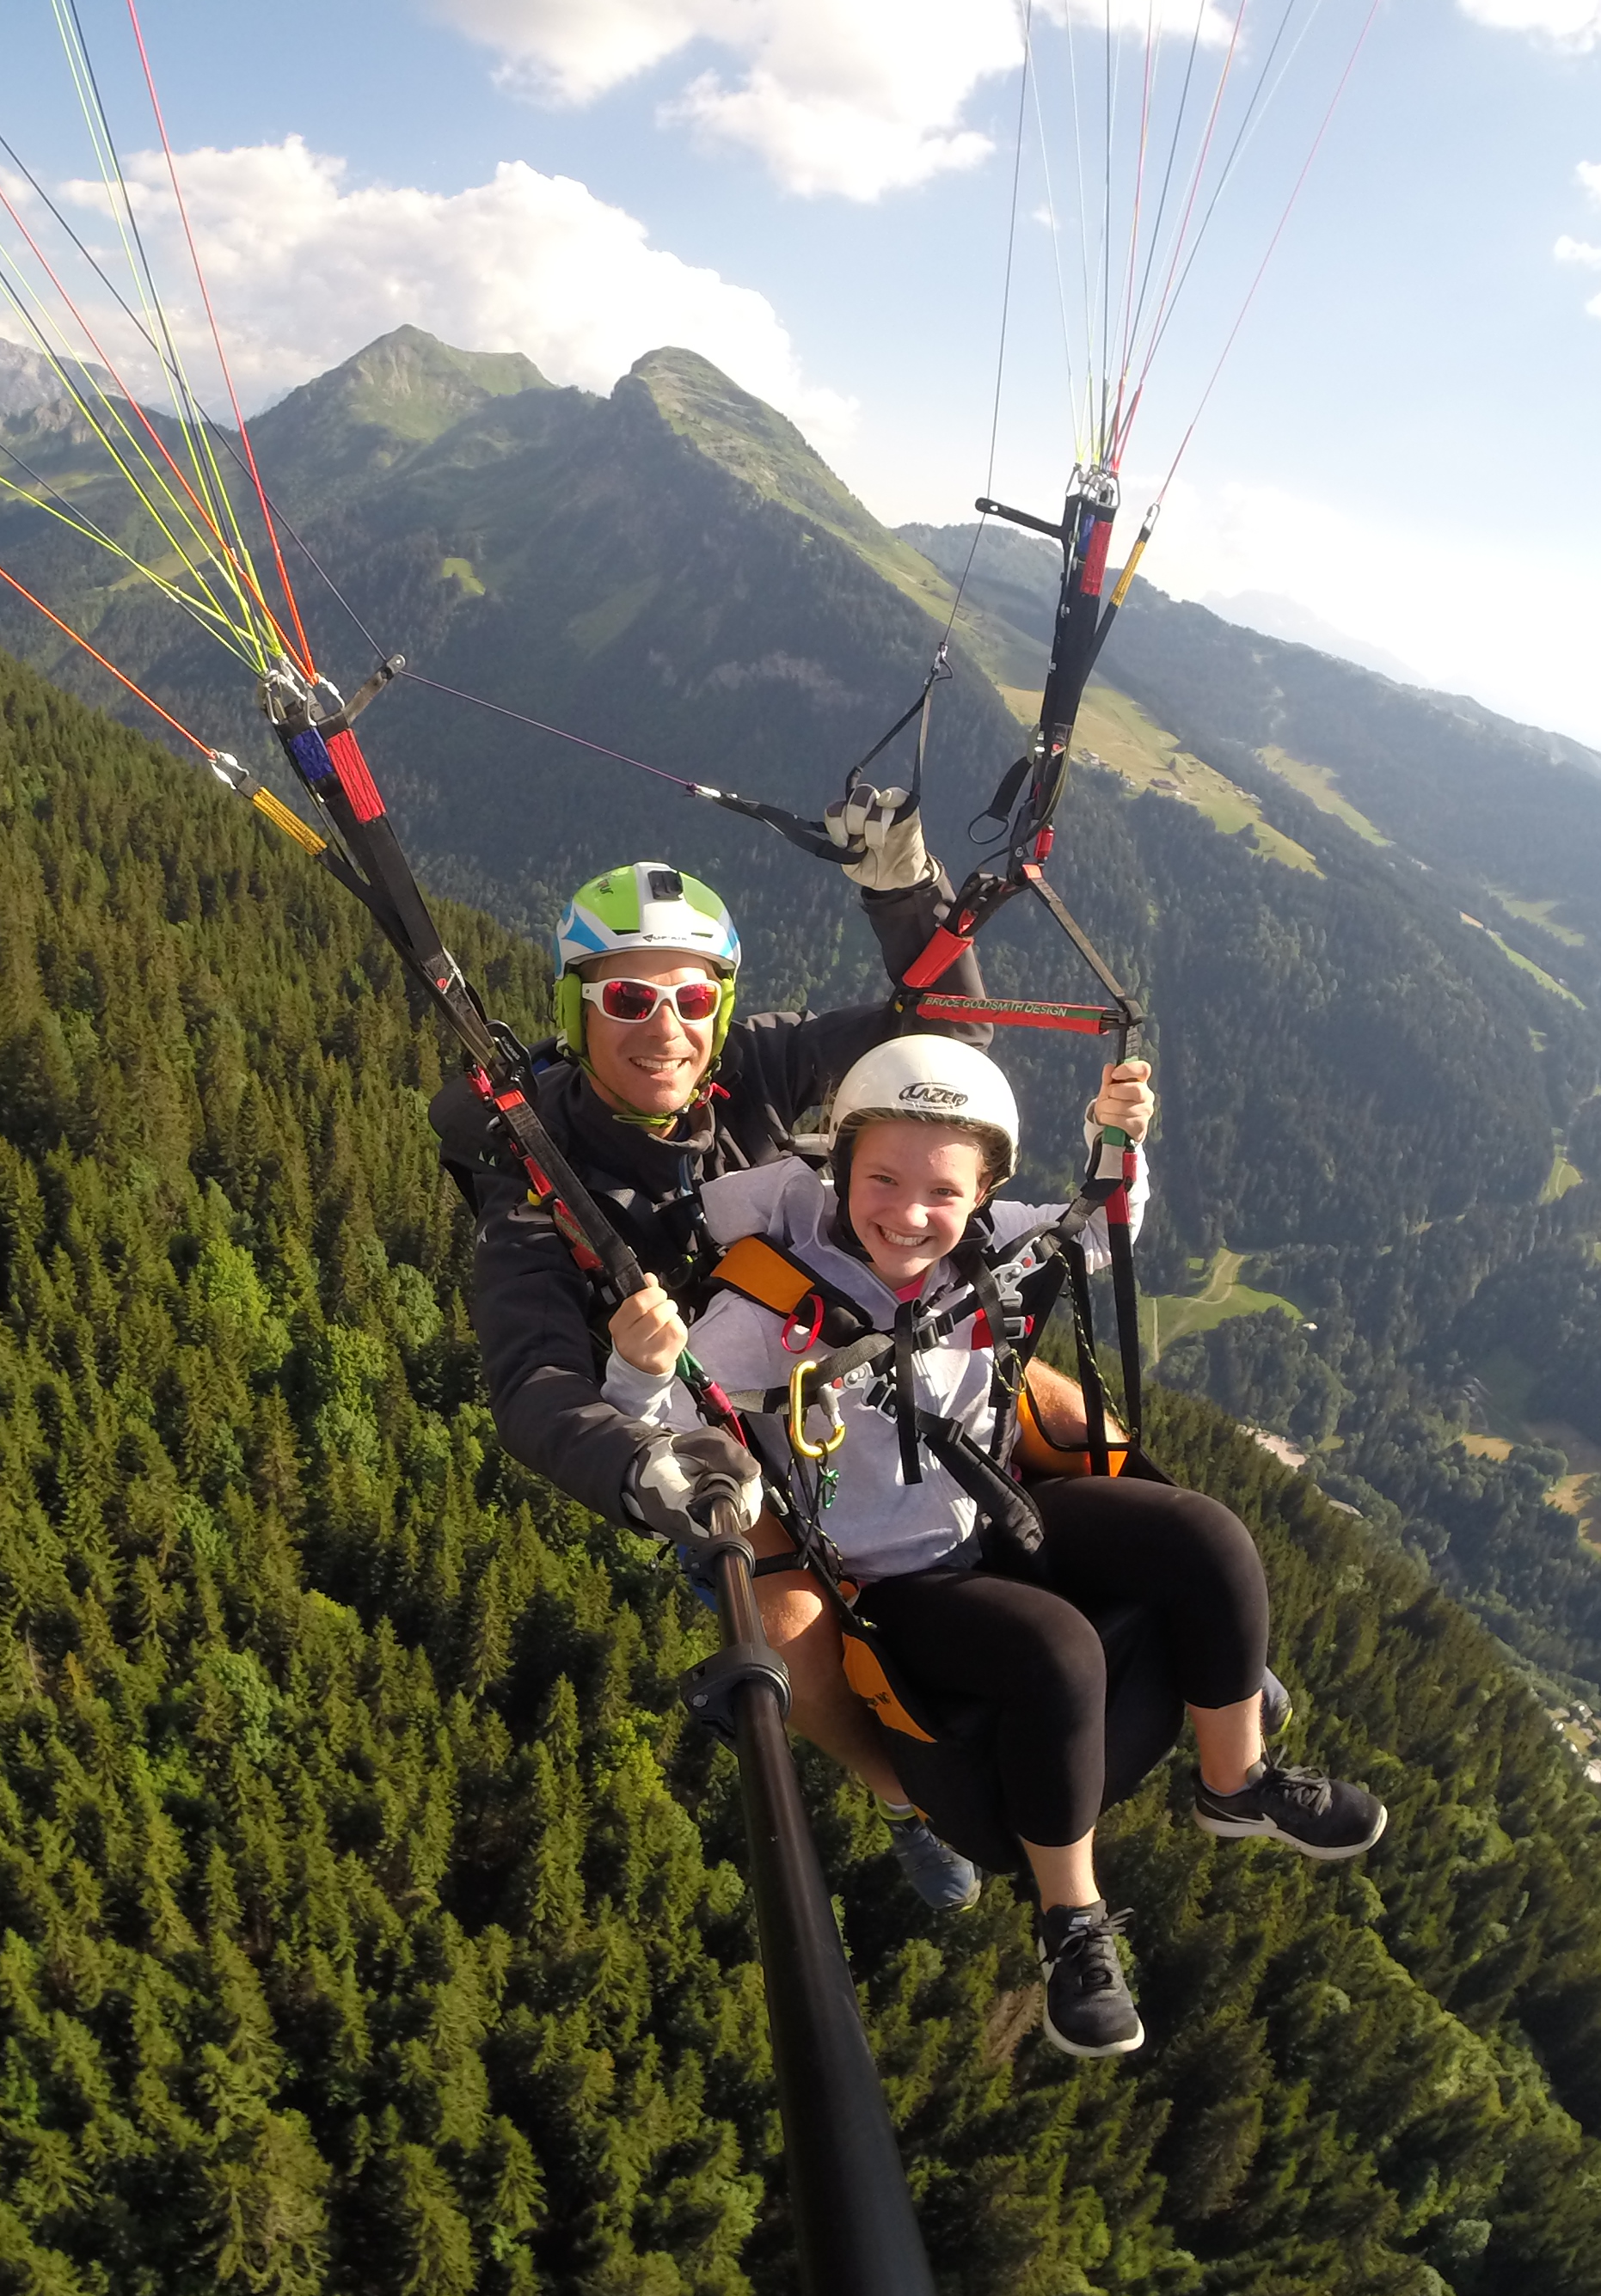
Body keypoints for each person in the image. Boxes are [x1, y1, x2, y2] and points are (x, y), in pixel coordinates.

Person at [597, 1035, 1389, 2059]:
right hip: (893, 1578)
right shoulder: (769, 1311)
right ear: (841, 1169)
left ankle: (1234, 1783)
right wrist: (638, 1367)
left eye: (943, 1191)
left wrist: (1114, 1143)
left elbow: (1097, 1234)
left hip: (991, 1508)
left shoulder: (987, 1249)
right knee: (1058, 1651)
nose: (909, 1214)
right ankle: (1071, 1923)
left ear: (982, 1196)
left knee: (1202, 1534)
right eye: (882, 1181)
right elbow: (661, 1425)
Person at [431, 785, 996, 1909]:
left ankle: (1173, 1600)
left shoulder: (754, 1071)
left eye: (692, 998)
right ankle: (898, 1797)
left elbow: (943, 1053)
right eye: (627, 998)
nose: (665, 1029)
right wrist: (643, 1463)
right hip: (711, 1429)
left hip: (827, 1345)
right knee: (791, 1635)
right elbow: (534, 1388)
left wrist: (902, 896)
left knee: (1046, 1408)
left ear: (721, 1006)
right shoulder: (540, 1190)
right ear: (578, 1007)